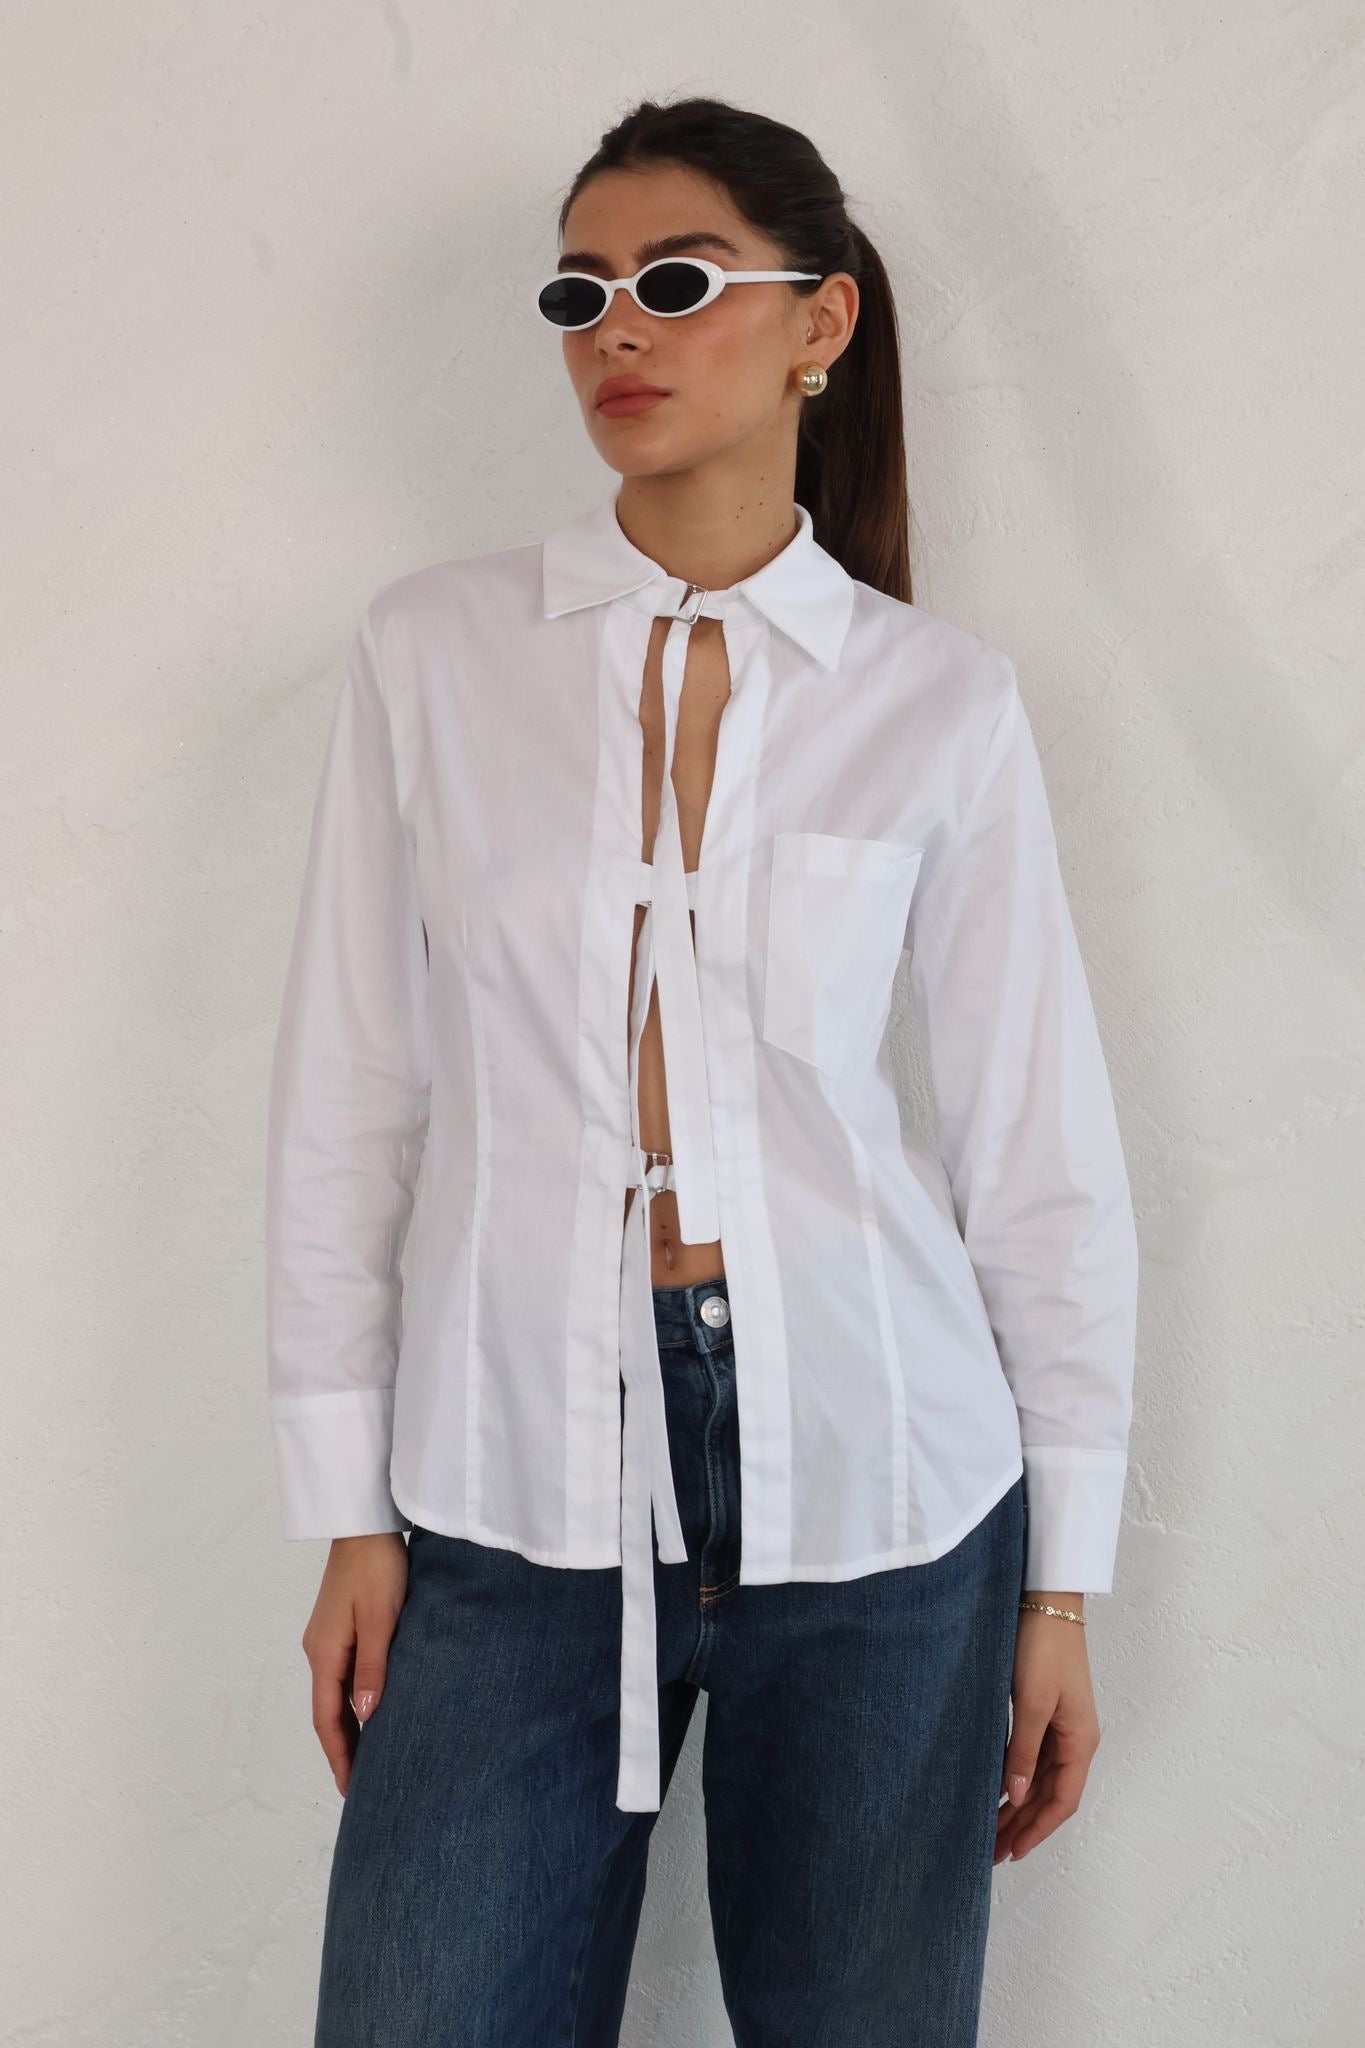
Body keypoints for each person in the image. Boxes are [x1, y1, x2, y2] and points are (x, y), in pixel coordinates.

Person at [266, 93, 1139, 2048]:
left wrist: (1058, 1590)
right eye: (578, 293)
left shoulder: (937, 703)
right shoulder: (433, 656)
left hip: (882, 1488)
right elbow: (350, 1094)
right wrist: (348, 1507)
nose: (616, 333)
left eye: (674, 283)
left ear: (820, 322)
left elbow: (1038, 1153)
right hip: (510, 1483)